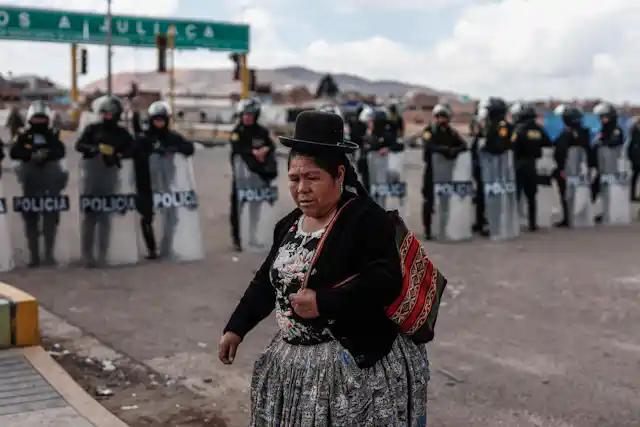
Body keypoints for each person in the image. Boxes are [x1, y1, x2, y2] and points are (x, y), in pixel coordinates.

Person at [219, 111, 429, 426]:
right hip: (296, 365)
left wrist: (323, 302)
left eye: (312, 178)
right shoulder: (289, 225)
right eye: (294, 178)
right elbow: (266, 281)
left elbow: (385, 281)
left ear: (339, 175)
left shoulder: (365, 220)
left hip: (350, 369)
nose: (301, 188)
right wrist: (236, 328)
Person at [75, 95, 134, 267]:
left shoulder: (122, 133)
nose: (107, 116)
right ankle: (86, 254)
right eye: (104, 113)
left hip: (110, 177)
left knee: (105, 218)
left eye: (110, 113)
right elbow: (79, 145)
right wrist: (94, 149)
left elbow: (133, 148)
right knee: (89, 216)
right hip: (91, 177)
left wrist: (118, 155)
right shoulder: (92, 129)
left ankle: (103, 254)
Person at [134, 101, 195, 259]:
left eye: (162, 119)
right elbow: (134, 152)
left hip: (168, 182)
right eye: (156, 119)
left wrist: (173, 150)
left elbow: (189, 148)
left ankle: (167, 245)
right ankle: (152, 249)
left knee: (172, 216)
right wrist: (151, 152)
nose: (159, 123)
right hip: (147, 183)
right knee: (147, 216)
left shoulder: (173, 137)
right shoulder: (144, 138)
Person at [9, 101, 67, 267]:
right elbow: (14, 152)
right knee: (31, 222)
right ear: (29, 118)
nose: (39, 121)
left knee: (50, 221)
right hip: (30, 185)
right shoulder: (22, 135)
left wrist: (47, 154)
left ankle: (49, 255)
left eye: (42, 118)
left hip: (50, 185)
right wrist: (30, 155)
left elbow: (61, 151)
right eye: (36, 118)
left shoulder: (53, 135)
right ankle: (34, 256)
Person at [229, 98, 277, 252]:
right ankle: (238, 239)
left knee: (256, 208)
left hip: (258, 176)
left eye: (250, 114)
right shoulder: (238, 132)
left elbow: (271, 145)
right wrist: (252, 152)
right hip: (242, 178)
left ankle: (253, 236)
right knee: (238, 208)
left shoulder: (262, 132)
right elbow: (237, 148)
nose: (246, 117)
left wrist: (265, 150)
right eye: (244, 114)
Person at [421, 103, 467, 239]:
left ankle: (443, 227)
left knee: (445, 200)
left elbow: (464, 145)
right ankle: (428, 230)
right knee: (429, 200)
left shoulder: (451, 132)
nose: (442, 120)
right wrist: (445, 150)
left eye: (444, 117)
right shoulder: (429, 130)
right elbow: (429, 145)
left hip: (445, 172)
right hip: (431, 170)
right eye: (439, 117)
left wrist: (455, 151)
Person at [472, 97, 513, 236]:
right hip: (483, 166)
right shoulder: (487, 125)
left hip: (494, 167)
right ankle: (480, 222)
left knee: (492, 195)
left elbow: (499, 146)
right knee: (480, 196)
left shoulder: (501, 126)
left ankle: (491, 223)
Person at [510, 103, 551, 231]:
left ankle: (513, 222)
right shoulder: (539, 129)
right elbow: (548, 143)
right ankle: (532, 224)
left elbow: (512, 146)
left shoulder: (518, 129)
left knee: (516, 195)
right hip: (533, 165)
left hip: (518, 165)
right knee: (531, 196)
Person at [552, 106, 593, 227]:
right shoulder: (585, 133)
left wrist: (560, 168)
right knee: (582, 192)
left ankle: (568, 217)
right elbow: (589, 150)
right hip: (581, 170)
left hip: (567, 169)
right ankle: (581, 216)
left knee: (566, 194)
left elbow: (560, 151)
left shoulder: (566, 135)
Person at [591, 102, 623, 223]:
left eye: (604, 117)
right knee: (596, 188)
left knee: (609, 191)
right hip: (603, 166)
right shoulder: (605, 129)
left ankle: (608, 212)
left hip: (612, 167)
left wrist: (601, 143)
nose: (602, 120)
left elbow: (614, 142)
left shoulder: (616, 130)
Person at [628, 117, 640, 201]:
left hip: (635, 156)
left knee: (634, 177)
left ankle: (632, 195)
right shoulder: (634, 132)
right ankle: (632, 195)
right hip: (636, 157)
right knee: (634, 177)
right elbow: (630, 146)